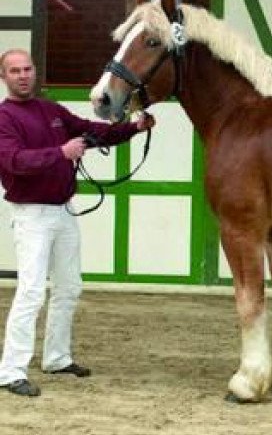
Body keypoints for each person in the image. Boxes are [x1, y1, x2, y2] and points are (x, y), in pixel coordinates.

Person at [0, 48, 155, 396]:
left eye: (27, 69)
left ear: (34, 71)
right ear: (4, 77)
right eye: (15, 71)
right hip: (32, 215)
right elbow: (13, 162)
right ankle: (11, 371)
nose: (23, 75)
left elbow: (90, 131)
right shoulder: (4, 118)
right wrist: (60, 153)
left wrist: (134, 128)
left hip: (63, 211)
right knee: (31, 292)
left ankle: (56, 357)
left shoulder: (50, 110)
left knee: (69, 287)